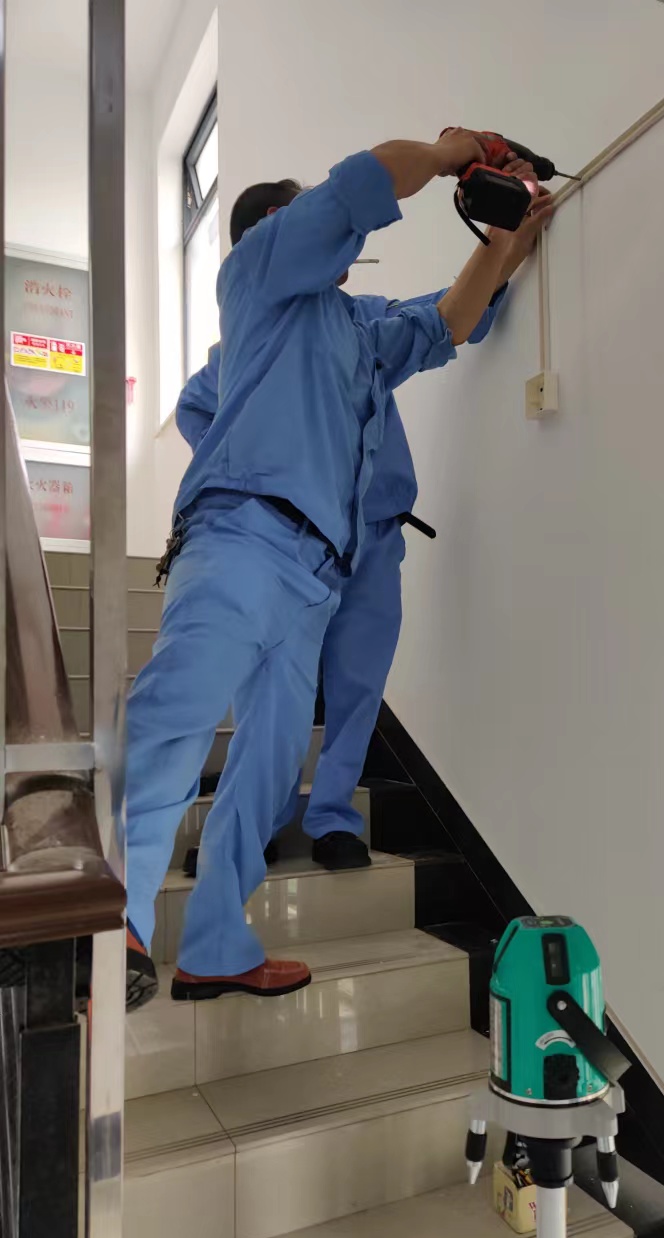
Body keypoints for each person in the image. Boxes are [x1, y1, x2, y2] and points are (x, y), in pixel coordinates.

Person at [124, 131, 543, 1011]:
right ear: (279, 227)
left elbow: (446, 322)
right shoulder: (257, 274)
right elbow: (362, 185)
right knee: (177, 716)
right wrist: (453, 150)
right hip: (239, 537)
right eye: (309, 215)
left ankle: (214, 946)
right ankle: (109, 921)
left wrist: (505, 241)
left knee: (270, 765)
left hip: (317, 577)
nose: (339, 234)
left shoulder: (354, 331)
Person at [175, 199, 550, 877]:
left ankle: (332, 818)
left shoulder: (362, 320)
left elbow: (444, 315)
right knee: (269, 692)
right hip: (288, 545)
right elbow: (196, 409)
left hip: (373, 538)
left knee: (357, 686)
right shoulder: (240, 352)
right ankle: (253, 826)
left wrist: (508, 249)